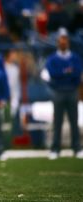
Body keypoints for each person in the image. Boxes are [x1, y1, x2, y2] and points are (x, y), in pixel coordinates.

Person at [42, 28, 83, 159]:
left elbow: (77, 74)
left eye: (65, 39)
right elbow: (52, 75)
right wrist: (67, 73)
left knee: (73, 120)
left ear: (68, 41)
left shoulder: (75, 57)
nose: (63, 42)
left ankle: (77, 148)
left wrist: (62, 74)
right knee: (57, 121)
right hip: (58, 92)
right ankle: (55, 148)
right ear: (58, 41)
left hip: (72, 91)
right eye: (61, 39)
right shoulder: (52, 59)